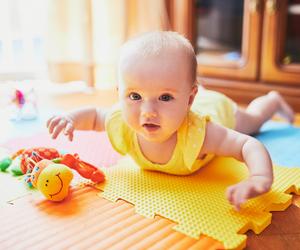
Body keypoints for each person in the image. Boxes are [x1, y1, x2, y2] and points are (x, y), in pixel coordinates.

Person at [47, 31, 295, 210]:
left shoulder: (201, 133)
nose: (148, 111)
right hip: (191, 97)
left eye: (164, 97)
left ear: (189, 100)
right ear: (119, 93)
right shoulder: (121, 121)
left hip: (218, 108)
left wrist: (259, 177)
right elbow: (93, 117)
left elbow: (246, 145)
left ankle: (271, 100)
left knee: (253, 121)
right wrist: (70, 118)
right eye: (135, 95)